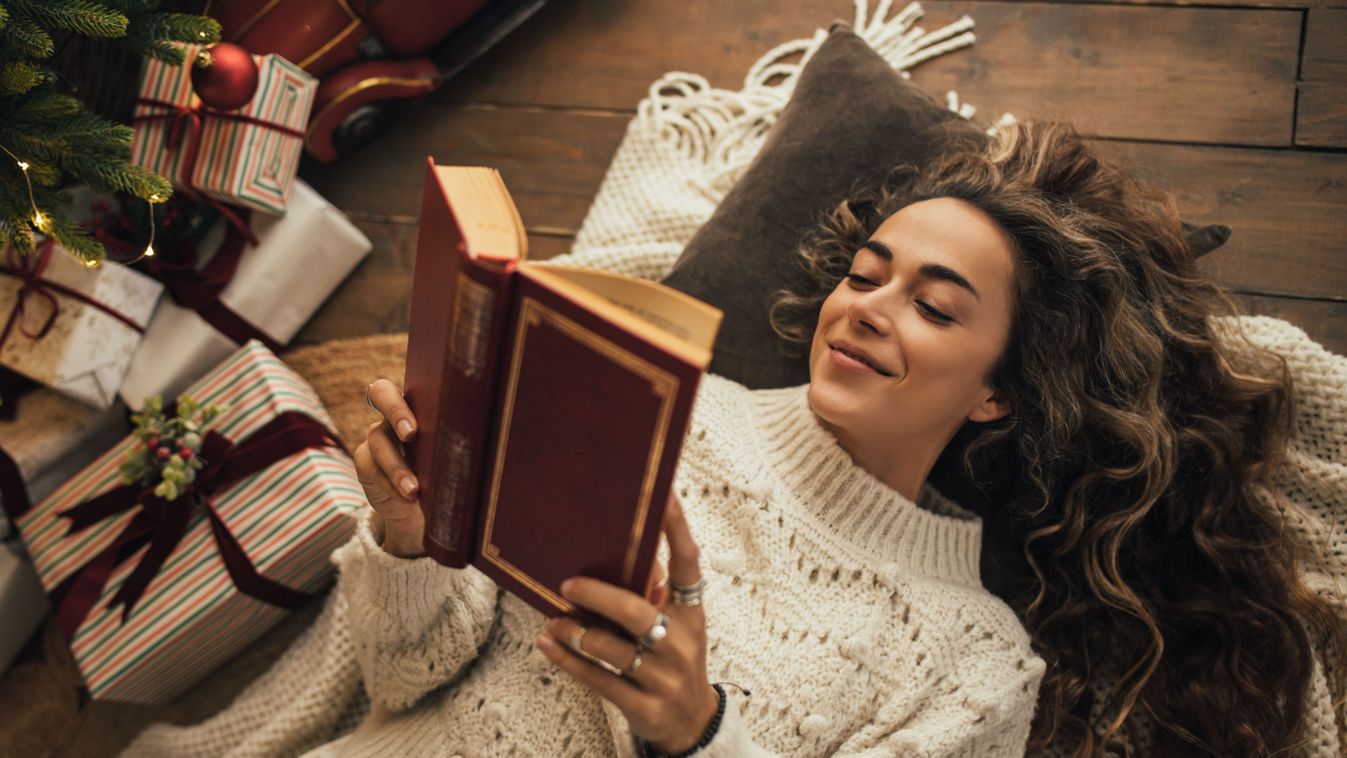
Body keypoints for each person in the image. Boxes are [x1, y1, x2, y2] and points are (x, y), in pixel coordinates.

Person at [121, 120, 1343, 757]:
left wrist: (697, 728)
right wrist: (404, 539)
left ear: (999, 393)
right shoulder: (659, 408)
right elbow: (401, 682)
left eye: (934, 302)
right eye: (867, 273)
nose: (868, 304)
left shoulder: (975, 664)